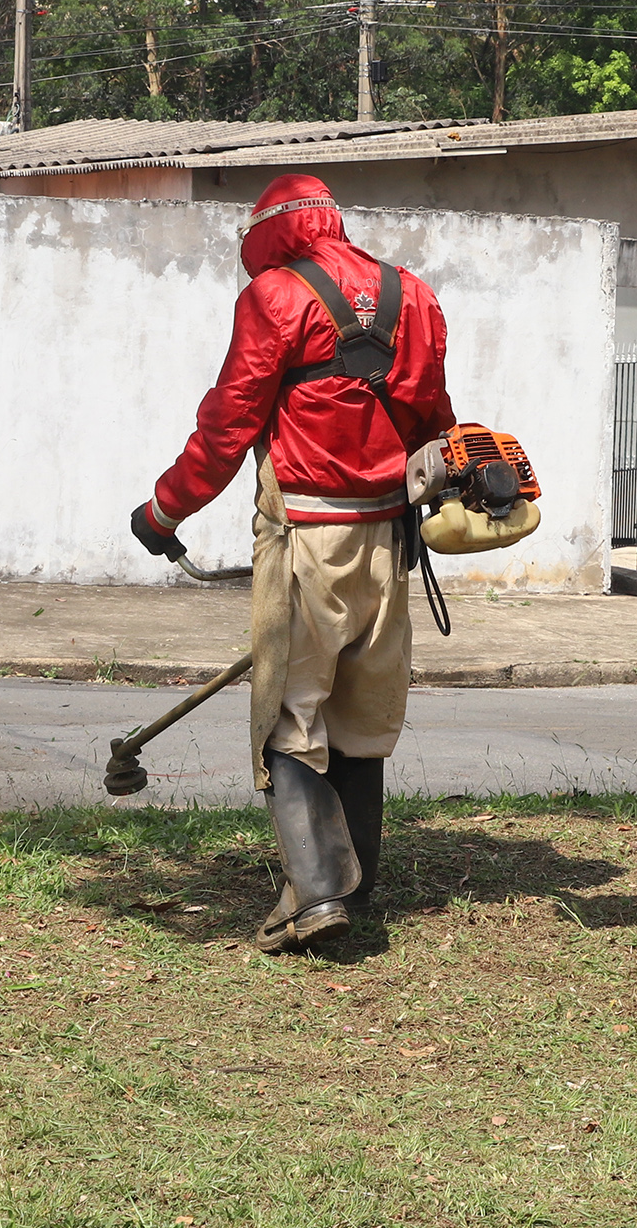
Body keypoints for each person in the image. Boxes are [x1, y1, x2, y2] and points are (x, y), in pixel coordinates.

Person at [130, 174, 455, 952]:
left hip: (307, 534)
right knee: (361, 722)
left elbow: (229, 421)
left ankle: (316, 898)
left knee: (289, 712)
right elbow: (437, 418)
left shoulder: (274, 297)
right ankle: (356, 891)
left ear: (271, 233)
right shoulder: (412, 294)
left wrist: (165, 509)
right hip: (391, 538)